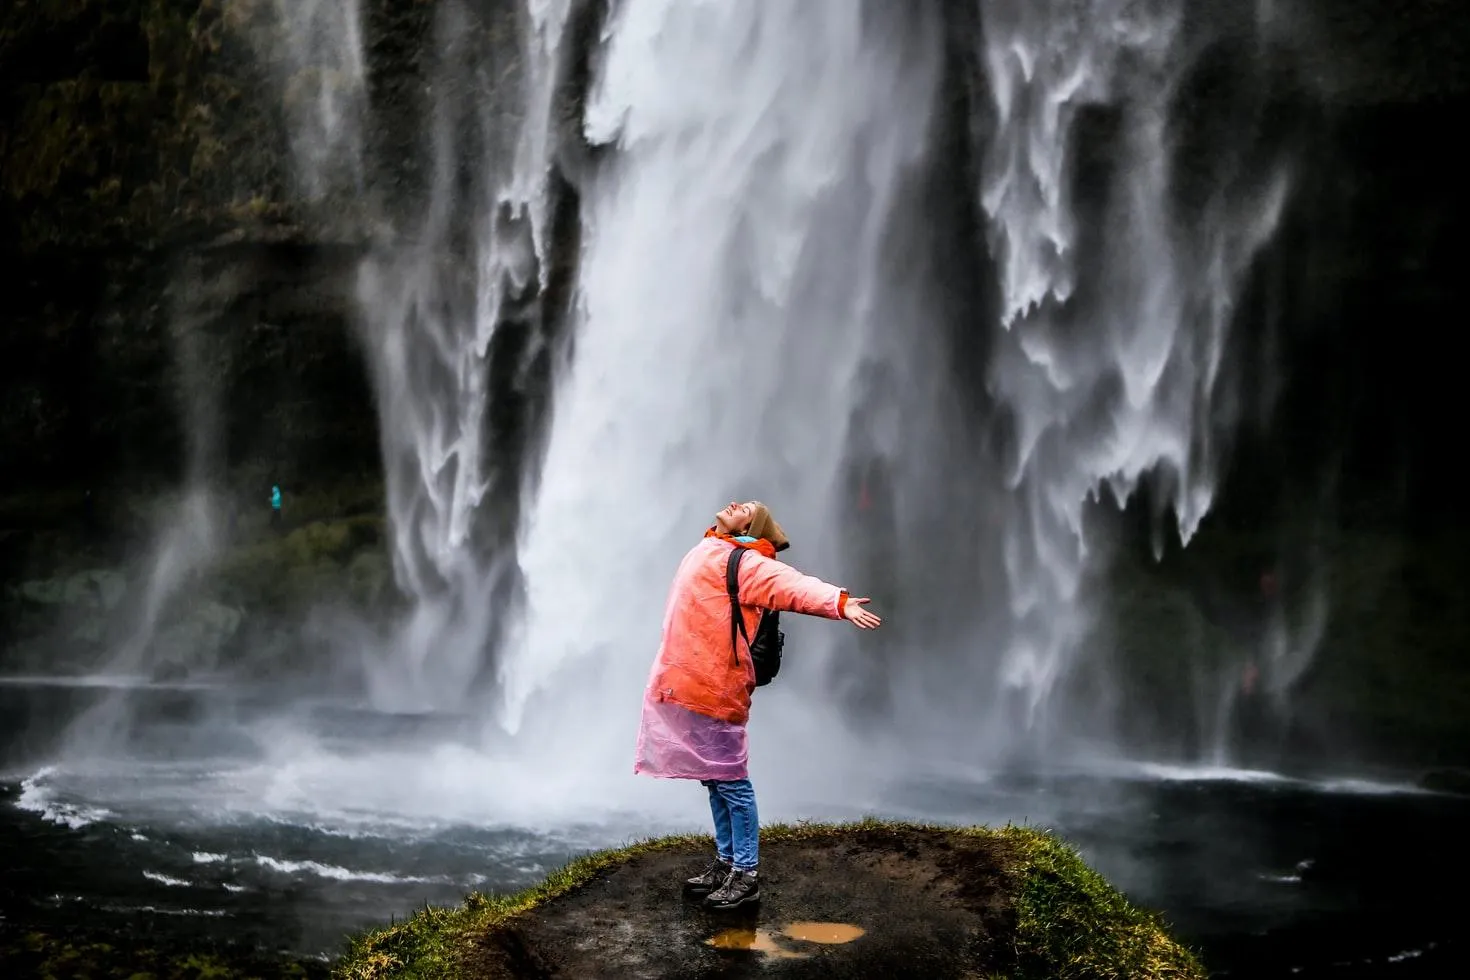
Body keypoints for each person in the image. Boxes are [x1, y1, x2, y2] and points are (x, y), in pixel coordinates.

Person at [634, 499, 883, 910]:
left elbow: (794, 587)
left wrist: (840, 603)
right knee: (712, 778)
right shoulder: (709, 549)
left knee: (731, 781)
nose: (736, 503)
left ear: (755, 525)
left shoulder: (747, 563)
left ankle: (745, 875)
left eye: (747, 507)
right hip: (688, 681)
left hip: (718, 684)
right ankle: (726, 862)